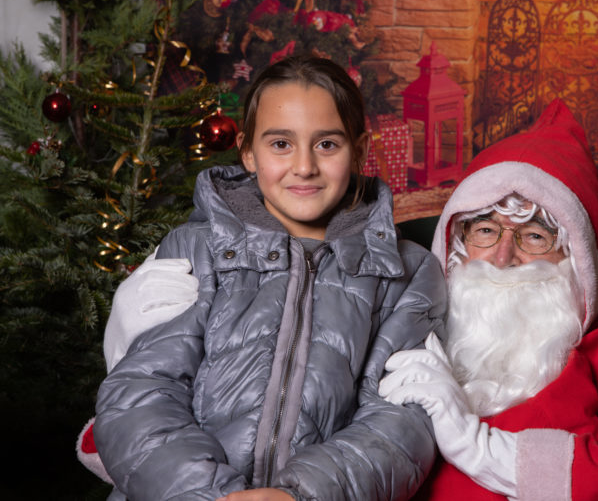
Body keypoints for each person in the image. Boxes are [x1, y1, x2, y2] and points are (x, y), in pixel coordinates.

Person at [90, 55, 447, 501]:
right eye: (281, 144)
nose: (304, 166)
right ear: (247, 152)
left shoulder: (407, 271)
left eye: (327, 145)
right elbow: (141, 393)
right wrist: (209, 494)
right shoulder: (195, 248)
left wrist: (302, 494)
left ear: (359, 149)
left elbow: (401, 422)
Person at [377, 99, 598, 500]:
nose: (503, 258)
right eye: (485, 231)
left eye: (535, 236)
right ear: (455, 245)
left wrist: (481, 450)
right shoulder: (404, 330)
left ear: (577, 260)